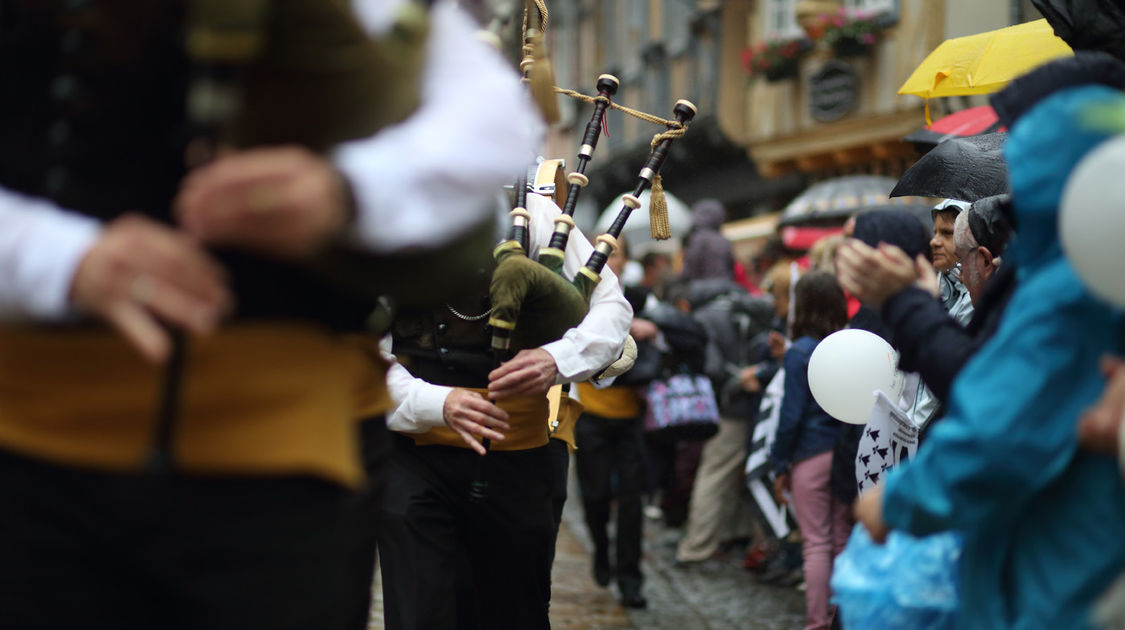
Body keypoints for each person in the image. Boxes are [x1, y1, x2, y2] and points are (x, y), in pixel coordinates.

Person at [0, 2, 540, 629]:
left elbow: (488, 120)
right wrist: (62, 260)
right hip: (27, 441)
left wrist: (345, 192)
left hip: (276, 452)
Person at [855, 56, 1125, 630]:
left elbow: (999, 431)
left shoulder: (1068, 285)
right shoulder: (1079, 263)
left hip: (1056, 581)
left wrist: (897, 502)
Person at [376, 189, 632, 630]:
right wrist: (439, 402)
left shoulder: (535, 212)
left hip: (518, 458)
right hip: (413, 457)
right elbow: (359, 355)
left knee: (514, 613)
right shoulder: (382, 216)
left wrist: (558, 358)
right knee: (421, 613)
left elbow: (610, 307)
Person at [837, 195, 1015, 408]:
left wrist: (908, 302)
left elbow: (969, 381)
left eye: (947, 233)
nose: (934, 242)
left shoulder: (1005, 304)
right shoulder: (938, 288)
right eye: (935, 232)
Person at [769, 271, 849, 630]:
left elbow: (790, 415)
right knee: (843, 540)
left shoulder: (799, 351)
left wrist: (779, 462)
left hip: (808, 455)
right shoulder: (850, 344)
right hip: (846, 453)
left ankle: (817, 624)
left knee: (816, 544)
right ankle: (845, 620)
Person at [675, 276, 775, 565]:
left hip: (731, 407)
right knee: (754, 472)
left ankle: (696, 548)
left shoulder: (705, 317)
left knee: (713, 475)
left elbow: (713, 366)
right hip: (762, 402)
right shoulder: (751, 308)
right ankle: (750, 541)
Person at [572, 240, 649, 608]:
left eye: (615, 252)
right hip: (591, 417)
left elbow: (685, 331)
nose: (608, 257)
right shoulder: (579, 297)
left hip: (631, 419)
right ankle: (601, 548)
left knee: (633, 503)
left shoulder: (640, 298)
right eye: (602, 251)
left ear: (626, 259)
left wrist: (652, 327)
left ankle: (630, 578)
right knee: (596, 495)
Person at [681, 198, 735, 282]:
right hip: (724, 287)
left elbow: (689, 269)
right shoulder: (724, 241)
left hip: (702, 290)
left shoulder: (695, 240)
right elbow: (731, 267)